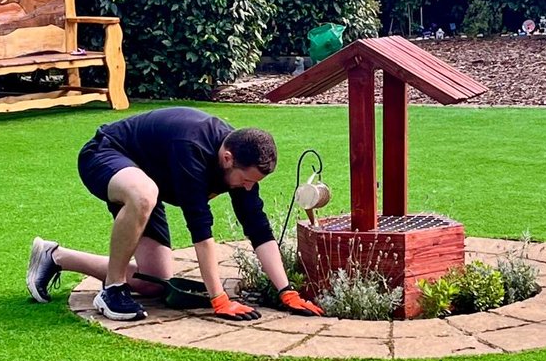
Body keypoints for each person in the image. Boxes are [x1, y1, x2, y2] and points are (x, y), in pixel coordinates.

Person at [26, 106, 324, 323]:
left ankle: (55, 256)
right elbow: (200, 228)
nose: (248, 187)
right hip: (105, 154)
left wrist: (286, 292)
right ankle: (112, 290)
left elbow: (258, 228)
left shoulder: (241, 162)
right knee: (144, 194)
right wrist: (219, 299)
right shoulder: (192, 148)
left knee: (155, 281)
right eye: (246, 180)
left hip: (146, 182)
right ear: (227, 158)